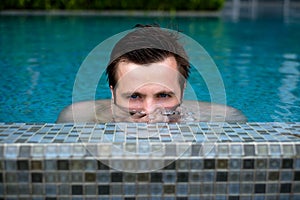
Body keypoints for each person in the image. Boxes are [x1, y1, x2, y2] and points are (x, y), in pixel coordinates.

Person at [57, 25, 246, 123]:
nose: (149, 110)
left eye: (163, 95)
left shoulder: (226, 118)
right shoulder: (77, 118)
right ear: (113, 92)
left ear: (183, 89)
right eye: (134, 96)